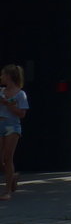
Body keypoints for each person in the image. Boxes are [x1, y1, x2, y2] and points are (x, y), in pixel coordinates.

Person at [0, 64, 28, 201]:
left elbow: (22, 114)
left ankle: (7, 191)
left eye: (3, 74)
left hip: (12, 126)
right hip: (0, 124)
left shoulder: (20, 94)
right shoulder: (0, 91)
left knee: (7, 157)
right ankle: (13, 177)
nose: (1, 77)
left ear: (9, 76)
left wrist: (8, 105)